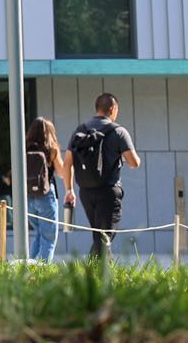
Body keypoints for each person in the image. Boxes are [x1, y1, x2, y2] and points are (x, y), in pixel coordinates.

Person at [64, 92, 140, 261]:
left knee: (100, 237)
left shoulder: (80, 130)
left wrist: (69, 190)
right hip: (109, 191)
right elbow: (134, 163)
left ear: (97, 108)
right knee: (104, 238)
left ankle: (104, 277)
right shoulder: (119, 131)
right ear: (112, 109)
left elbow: (67, 163)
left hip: (85, 191)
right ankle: (92, 277)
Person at [25, 116, 72, 264]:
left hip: (28, 197)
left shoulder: (23, 147)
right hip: (46, 196)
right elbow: (60, 172)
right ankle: (42, 270)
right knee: (49, 237)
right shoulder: (52, 149)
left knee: (39, 234)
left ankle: (30, 266)